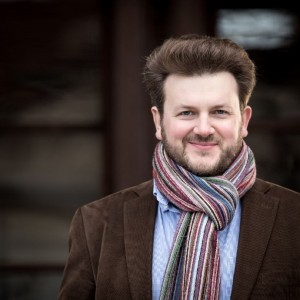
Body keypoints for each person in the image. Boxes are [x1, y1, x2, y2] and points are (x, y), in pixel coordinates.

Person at [58, 34, 300, 300]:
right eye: (187, 112)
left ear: (243, 121)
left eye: (220, 112)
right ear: (158, 121)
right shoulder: (96, 223)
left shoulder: (294, 218)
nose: (204, 129)